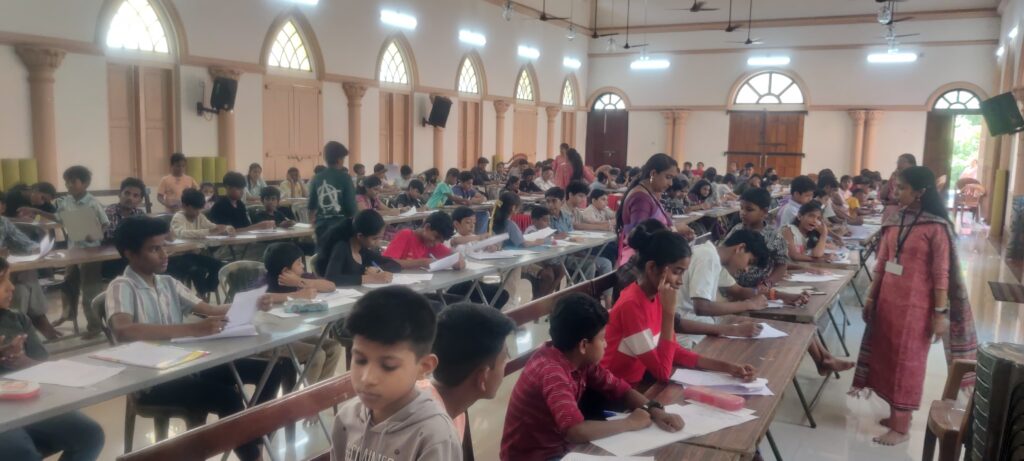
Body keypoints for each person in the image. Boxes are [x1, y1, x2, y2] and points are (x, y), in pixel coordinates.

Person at [106, 216, 285, 461]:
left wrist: (254, 302)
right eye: (154, 249)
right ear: (130, 253)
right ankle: (253, 452)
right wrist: (191, 329)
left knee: (273, 370)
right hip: (152, 381)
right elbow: (123, 329)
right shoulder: (122, 286)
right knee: (228, 397)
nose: (164, 254)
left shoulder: (167, 283)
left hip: (187, 365)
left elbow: (210, 309)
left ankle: (253, 438)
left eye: (164, 246)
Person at [849, 166, 977, 446]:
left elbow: (941, 274)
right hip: (887, 301)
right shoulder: (895, 220)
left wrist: (940, 313)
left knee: (907, 363)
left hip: (916, 308)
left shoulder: (936, 227)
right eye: (896, 187)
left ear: (920, 192)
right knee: (886, 355)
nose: (896, 192)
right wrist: (871, 297)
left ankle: (901, 425)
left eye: (902, 188)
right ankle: (895, 415)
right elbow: (882, 263)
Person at [500, 293, 684, 461]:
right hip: (535, 457)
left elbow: (620, 389)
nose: (606, 344)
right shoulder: (552, 372)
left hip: (560, 448)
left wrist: (656, 412)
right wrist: (629, 423)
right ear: (583, 345)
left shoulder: (578, 359)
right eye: (602, 338)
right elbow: (575, 431)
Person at [602, 228, 756, 386]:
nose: (680, 281)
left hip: (633, 384)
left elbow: (675, 352)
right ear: (652, 268)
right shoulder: (631, 305)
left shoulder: (655, 296)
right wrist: (669, 312)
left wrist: (728, 368)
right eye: (677, 272)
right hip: (612, 390)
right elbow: (662, 372)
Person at [331, 286, 463, 460]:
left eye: (388, 366)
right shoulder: (347, 418)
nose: (367, 378)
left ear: (424, 366)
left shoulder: (435, 437)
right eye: (360, 360)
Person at [0, 257, 105, 461]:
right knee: (20, 452)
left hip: (23, 401)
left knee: (90, 435)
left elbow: (43, 365)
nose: (11, 287)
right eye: (1, 280)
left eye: (9, 279)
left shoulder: (16, 318)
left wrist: (23, 362)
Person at [20, 166, 109, 337]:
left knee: (90, 289)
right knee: (68, 284)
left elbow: (105, 224)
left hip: (91, 251)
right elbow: (58, 218)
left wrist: (96, 234)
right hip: (73, 249)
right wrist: (37, 211)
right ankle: (68, 315)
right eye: (67, 181)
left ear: (85, 183)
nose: (69, 185)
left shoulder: (93, 202)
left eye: (73, 181)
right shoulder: (66, 201)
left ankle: (95, 325)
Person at [420, 303, 515, 443]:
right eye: (504, 358)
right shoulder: (436, 436)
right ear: (484, 376)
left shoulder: (443, 405)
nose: (506, 363)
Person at [254, 242, 342, 384]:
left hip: (292, 333)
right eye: (299, 263)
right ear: (285, 270)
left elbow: (330, 286)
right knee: (317, 355)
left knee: (334, 347)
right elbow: (259, 299)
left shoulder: (300, 277)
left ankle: (320, 393)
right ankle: (305, 396)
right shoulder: (266, 281)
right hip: (269, 339)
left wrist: (299, 281)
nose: (303, 266)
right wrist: (296, 296)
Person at [674, 229, 772, 348]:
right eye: (749, 262)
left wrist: (774, 295)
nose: (746, 269)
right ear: (740, 248)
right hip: (689, 337)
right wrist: (748, 304)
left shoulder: (714, 258)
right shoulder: (707, 257)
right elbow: (702, 307)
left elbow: (738, 291)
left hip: (699, 329)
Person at [615, 153, 695, 266]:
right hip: (639, 264)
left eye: (672, 178)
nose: (671, 183)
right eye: (668, 177)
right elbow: (639, 237)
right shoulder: (641, 199)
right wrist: (675, 230)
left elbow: (655, 229)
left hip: (649, 259)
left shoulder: (649, 194)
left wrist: (676, 236)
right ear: (653, 173)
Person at [317, 210, 399, 287]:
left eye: (380, 238)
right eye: (374, 239)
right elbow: (331, 278)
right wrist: (371, 278)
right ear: (360, 236)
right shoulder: (342, 247)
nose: (377, 243)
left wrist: (374, 270)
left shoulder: (363, 249)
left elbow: (395, 265)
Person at [308, 141, 357, 242]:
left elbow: (311, 206)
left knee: (323, 252)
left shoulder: (316, 178)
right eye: (343, 159)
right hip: (341, 227)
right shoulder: (345, 178)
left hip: (321, 227)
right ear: (339, 159)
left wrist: (314, 225)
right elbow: (351, 208)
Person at [382, 212, 463, 270]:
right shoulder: (406, 235)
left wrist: (459, 261)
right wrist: (421, 263)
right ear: (427, 227)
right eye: (436, 237)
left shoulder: (433, 243)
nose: (436, 243)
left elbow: (454, 255)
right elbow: (386, 262)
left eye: (441, 241)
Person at [209, 172, 275, 233]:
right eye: (239, 189)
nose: (242, 192)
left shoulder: (240, 204)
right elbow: (225, 232)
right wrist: (257, 227)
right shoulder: (219, 207)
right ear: (228, 188)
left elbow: (246, 226)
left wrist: (262, 226)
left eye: (243, 188)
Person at [880, 153, 917, 221]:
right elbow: (882, 195)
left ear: (912, 164)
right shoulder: (895, 176)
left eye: (902, 161)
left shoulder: (915, 178)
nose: (898, 164)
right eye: (897, 161)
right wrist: (891, 178)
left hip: (907, 213)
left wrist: (893, 201)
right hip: (891, 210)